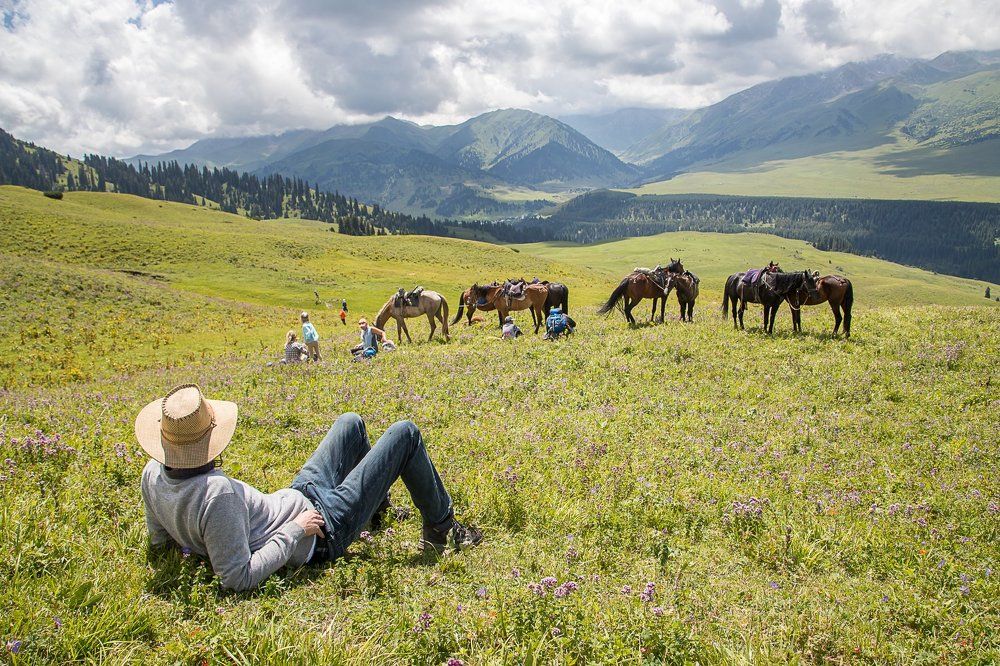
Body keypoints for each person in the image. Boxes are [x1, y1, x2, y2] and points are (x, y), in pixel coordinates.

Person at [137, 384, 482, 592]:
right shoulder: (216, 494)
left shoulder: (152, 474)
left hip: (298, 496)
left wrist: (186, 548)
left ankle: (376, 514)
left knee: (351, 423)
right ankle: (442, 528)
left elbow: (160, 538)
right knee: (405, 433)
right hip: (321, 528)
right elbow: (237, 577)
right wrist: (294, 530)